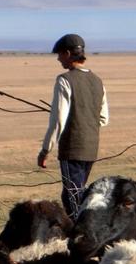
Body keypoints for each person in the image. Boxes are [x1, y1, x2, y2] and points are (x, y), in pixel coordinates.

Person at [37, 33, 109, 219]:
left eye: (59, 54)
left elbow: (58, 121)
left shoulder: (64, 80)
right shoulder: (98, 81)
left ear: (68, 54)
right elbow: (103, 118)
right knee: (73, 194)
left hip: (72, 149)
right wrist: (81, 118)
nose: (58, 59)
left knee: (73, 199)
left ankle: (81, 238)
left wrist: (45, 150)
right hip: (91, 148)